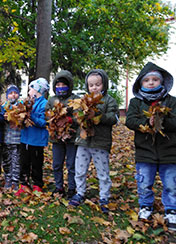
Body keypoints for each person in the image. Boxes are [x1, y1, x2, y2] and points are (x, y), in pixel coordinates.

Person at [125, 62, 176, 230]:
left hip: (169, 151)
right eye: (147, 80)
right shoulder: (136, 102)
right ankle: (145, 205)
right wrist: (147, 122)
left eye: (155, 79)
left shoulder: (171, 101)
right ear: (141, 83)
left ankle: (171, 209)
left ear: (162, 82)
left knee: (171, 183)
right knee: (144, 182)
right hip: (145, 151)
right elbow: (130, 120)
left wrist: (162, 122)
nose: (151, 82)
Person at [68, 69, 119, 213]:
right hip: (84, 141)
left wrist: (97, 115)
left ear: (104, 85)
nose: (94, 88)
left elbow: (113, 119)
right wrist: (82, 117)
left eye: (97, 84)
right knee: (80, 169)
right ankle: (80, 192)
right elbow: (77, 116)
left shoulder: (109, 101)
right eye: (91, 85)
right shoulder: (83, 100)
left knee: (103, 171)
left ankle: (104, 196)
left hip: (100, 142)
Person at [46, 70, 79, 199]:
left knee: (71, 164)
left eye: (63, 85)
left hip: (71, 137)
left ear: (69, 86)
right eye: (58, 85)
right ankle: (59, 186)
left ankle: (72, 187)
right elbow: (46, 116)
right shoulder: (52, 100)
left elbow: (80, 116)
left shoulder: (75, 99)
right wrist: (53, 121)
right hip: (56, 138)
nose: (60, 88)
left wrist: (69, 120)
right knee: (57, 164)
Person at [15, 78, 49, 196]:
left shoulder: (44, 104)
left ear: (37, 90)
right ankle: (23, 184)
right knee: (24, 162)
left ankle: (37, 184)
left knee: (36, 164)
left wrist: (31, 116)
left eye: (31, 89)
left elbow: (44, 122)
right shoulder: (28, 102)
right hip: (25, 138)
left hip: (37, 140)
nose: (29, 91)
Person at [1, 85, 22, 191]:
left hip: (17, 138)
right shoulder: (4, 106)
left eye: (15, 92)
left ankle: (15, 180)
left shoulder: (21, 106)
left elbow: (24, 118)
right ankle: (8, 178)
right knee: (6, 161)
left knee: (16, 160)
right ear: (7, 95)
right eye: (10, 93)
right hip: (5, 139)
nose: (13, 95)